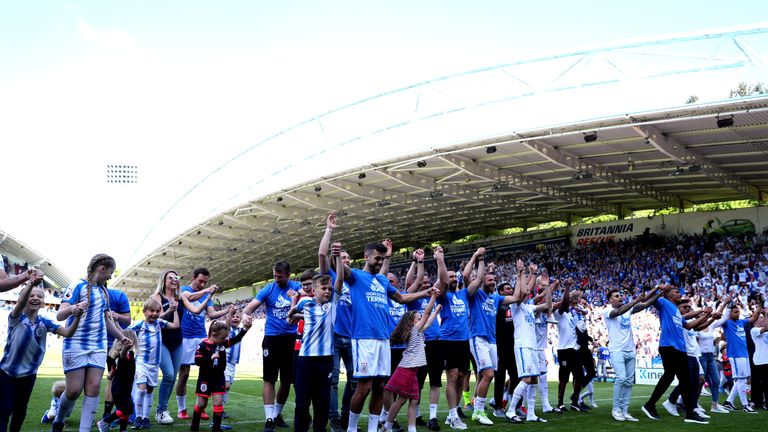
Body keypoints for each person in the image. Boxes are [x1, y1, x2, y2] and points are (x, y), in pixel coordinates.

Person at [338, 240, 438, 432]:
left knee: (379, 386)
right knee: (364, 386)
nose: (379, 262)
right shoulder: (356, 276)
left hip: (384, 339)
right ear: (366, 257)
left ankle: (373, 428)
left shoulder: (382, 281)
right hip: (364, 338)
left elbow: (401, 298)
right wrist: (333, 252)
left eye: (382, 259)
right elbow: (337, 268)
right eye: (377, 258)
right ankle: (351, 428)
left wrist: (426, 292)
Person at [51, 254, 135, 432]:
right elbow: (59, 315)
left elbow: (106, 320)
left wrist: (121, 337)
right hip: (75, 343)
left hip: (98, 345)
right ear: (101, 269)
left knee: (94, 387)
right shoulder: (76, 286)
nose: (111, 276)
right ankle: (58, 420)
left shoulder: (104, 291)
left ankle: (85, 430)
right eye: (110, 272)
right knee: (73, 390)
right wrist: (73, 308)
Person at [0, 276, 83, 432]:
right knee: (4, 408)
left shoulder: (45, 323)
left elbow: (67, 333)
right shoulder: (16, 317)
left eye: (39, 296)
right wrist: (31, 283)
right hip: (6, 372)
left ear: (44, 302)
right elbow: (19, 305)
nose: (35, 298)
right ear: (22, 299)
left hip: (28, 375)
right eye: (31, 295)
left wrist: (76, 316)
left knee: (20, 409)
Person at [243, 261, 302, 431]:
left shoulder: (296, 287)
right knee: (269, 378)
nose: (276, 279)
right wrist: (245, 316)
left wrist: (298, 293)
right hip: (272, 338)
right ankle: (269, 419)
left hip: (292, 339)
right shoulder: (268, 289)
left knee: (286, 380)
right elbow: (248, 309)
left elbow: (309, 292)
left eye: (280, 276)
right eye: (275, 276)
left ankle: (277, 415)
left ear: (288, 275)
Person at [287, 257, 342, 432]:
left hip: (325, 360)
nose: (327, 291)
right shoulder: (305, 302)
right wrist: (292, 315)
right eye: (323, 288)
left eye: (329, 289)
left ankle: (320, 429)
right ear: (314, 289)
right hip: (305, 360)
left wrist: (338, 257)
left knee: (322, 402)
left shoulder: (332, 304)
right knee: (302, 402)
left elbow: (340, 279)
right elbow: (291, 314)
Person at [641, 285, 709, 424]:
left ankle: (689, 413)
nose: (680, 293)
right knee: (671, 377)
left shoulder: (677, 312)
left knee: (686, 382)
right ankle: (650, 405)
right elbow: (646, 299)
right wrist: (658, 288)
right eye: (677, 291)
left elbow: (689, 326)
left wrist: (707, 315)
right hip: (669, 346)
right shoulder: (664, 302)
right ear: (668, 294)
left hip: (681, 349)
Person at [317, 213, 356, 432]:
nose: (347, 262)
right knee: (332, 382)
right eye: (344, 259)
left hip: (353, 337)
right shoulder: (330, 277)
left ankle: (347, 416)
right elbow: (322, 254)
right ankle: (334, 419)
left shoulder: (356, 280)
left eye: (349, 260)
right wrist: (329, 230)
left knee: (355, 381)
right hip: (333, 337)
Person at [438, 250, 484, 430]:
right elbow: (442, 281)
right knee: (452, 376)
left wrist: (479, 258)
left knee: (461, 378)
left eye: (453, 276)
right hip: (448, 341)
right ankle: (452, 415)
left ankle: (454, 412)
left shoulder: (463, 294)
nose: (452, 278)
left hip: (463, 341)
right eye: (449, 277)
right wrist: (440, 260)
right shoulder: (444, 295)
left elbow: (478, 280)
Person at [177, 268, 230, 421]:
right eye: (200, 281)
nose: (202, 284)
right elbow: (191, 298)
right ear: (193, 278)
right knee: (184, 374)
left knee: (208, 372)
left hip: (201, 336)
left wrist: (228, 310)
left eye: (205, 282)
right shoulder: (185, 290)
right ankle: (182, 409)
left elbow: (212, 314)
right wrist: (208, 290)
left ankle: (201, 407)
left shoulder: (207, 296)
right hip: (185, 336)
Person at [383, 292, 441, 432]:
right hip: (406, 369)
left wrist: (437, 310)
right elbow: (426, 314)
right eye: (418, 318)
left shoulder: (418, 331)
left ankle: (410, 428)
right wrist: (433, 297)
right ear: (412, 322)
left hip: (411, 370)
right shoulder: (414, 330)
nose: (421, 318)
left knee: (413, 400)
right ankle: (387, 426)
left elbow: (428, 320)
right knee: (401, 400)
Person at [505, 261, 552, 424]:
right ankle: (511, 410)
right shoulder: (516, 305)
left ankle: (531, 413)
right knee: (526, 379)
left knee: (534, 379)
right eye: (525, 291)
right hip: (522, 345)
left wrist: (547, 287)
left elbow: (548, 305)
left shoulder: (530, 307)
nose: (528, 292)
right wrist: (521, 273)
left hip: (533, 346)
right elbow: (522, 290)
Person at [603, 286, 660, 422]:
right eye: (617, 296)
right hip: (617, 349)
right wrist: (635, 301)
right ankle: (616, 409)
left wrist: (659, 293)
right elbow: (618, 312)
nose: (620, 297)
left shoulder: (628, 310)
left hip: (630, 349)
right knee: (621, 378)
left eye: (621, 295)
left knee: (629, 382)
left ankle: (625, 411)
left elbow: (645, 304)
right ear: (610, 300)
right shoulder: (607, 310)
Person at [191, 320, 251, 432]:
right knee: (201, 404)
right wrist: (211, 358)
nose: (225, 340)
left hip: (218, 378)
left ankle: (216, 428)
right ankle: (194, 426)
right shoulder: (202, 346)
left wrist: (245, 329)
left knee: (218, 402)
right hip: (205, 379)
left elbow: (236, 339)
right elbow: (198, 361)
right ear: (214, 335)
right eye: (223, 338)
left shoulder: (222, 344)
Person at [130, 298, 180, 429]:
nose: (155, 314)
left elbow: (175, 325)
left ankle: (146, 418)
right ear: (144, 312)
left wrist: (174, 311)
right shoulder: (139, 325)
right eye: (152, 311)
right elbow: (126, 333)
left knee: (150, 390)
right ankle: (138, 417)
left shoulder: (159, 323)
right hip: (141, 362)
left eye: (157, 311)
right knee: (141, 390)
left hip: (154, 364)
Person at [713, 293, 763, 412]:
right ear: (729, 313)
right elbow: (719, 316)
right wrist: (726, 304)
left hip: (744, 354)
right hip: (735, 355)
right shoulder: (726, 323)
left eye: (738, 311)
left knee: (743, 379)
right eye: (735, 312)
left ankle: (729, 402)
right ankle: (745, 405)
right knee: (741, 379)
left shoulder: (741, 322)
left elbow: (753, 318)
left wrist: (760, 305)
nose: (738, 313)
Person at [151, 271, 183, 425]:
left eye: (175, 278)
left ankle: (162, 411)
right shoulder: (157, 297)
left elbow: (196, 310)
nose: (173, 280)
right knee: (169, 375)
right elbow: (156, 317)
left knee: (173, 378)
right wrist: (171, 309)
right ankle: (161, 410)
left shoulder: (180, 297)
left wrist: (208, 295)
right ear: (163, 280)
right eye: (170, 277)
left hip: (177, 341)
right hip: (161, 340)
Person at [97, 329, 140, 432]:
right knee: (124, 409)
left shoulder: (115, 356)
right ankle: (104, 422)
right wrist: (126, 348)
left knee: (127, 410)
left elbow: (111, 374)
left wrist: (110, 375)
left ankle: (123, 429)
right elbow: (123, 356)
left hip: (121, 387)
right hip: (121, 387)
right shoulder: (126, 354)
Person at [103, 286, 132, 421]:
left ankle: (108, 414)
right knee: (103, 379)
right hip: (97, 342)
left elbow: (127, 320)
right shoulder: (87, 292)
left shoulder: (119, 295)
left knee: (114, 377)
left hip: (115, 344)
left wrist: (117, 316)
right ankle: (107, 415)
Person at [223, 309, 245, 419]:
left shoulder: (240, 330)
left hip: (232, 363)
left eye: (238, 317)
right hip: (224, 362)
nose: (235, 318)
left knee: (227, 387)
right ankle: (219, 408)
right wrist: (229, 314)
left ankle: (220, 408)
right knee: (225, 385)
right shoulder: (227, 330)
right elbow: (226, 326)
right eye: (233, 316)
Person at [750, 311, 768, 409]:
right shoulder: (754, 330)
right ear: (756, 321)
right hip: (760, 360)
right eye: (761, 318)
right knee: (761, 384)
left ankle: (763, 402)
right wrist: (766, 314)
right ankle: (758, 402)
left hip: (766, 360)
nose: (763, 319)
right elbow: (766, 327)